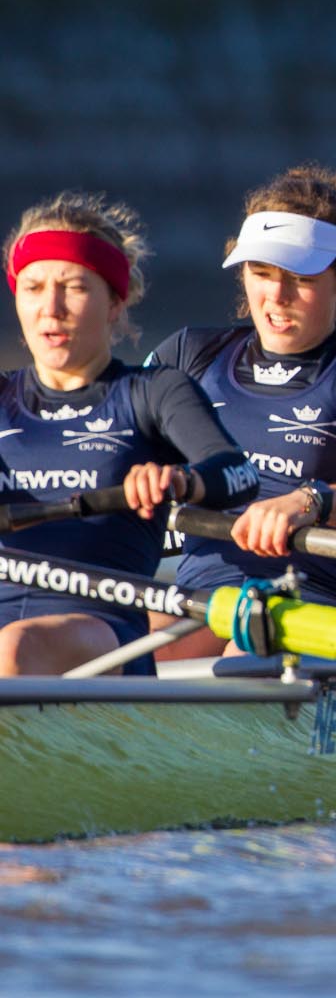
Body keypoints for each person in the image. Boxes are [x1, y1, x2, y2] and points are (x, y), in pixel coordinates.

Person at [150, 166, 336, 655]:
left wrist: (310, 502)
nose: (275, 297)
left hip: (314, 601)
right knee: (89, 643)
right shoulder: (188, 353)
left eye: (299, 278)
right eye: (261, 273)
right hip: (201, 598)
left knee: (246, 653)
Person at [0, 193, 258, 676]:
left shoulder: (152, 392)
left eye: (73, 287)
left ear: (115, 302)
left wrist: (180, 481)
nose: (50, 308)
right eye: (33, 287)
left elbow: (239, 474)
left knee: (14, 648)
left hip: (105, 636)